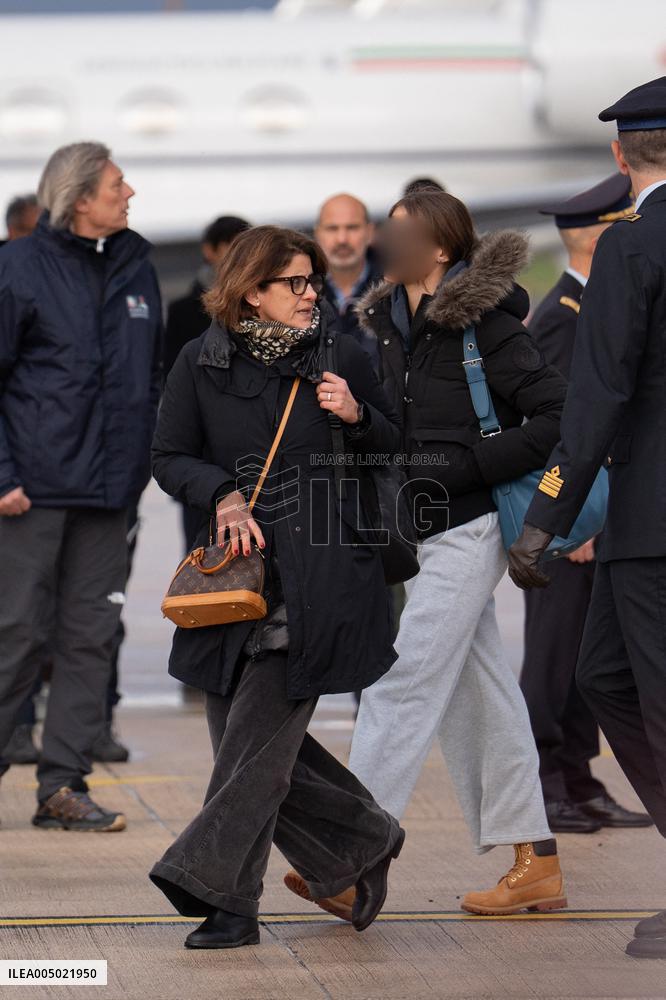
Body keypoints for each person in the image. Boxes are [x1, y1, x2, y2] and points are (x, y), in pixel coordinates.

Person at [288, 188, 570, 919]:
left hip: (471, 523)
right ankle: (534, 858)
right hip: (420, 527)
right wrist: (358, 418)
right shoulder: (387, 321)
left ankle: (354, 857)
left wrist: (471, 465)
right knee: (484, 697)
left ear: (439, 250)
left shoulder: (486, 323)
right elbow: (399, 429)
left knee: (399, 680)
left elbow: (555, 415)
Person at [149, 225, 405, 949]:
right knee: (254, 750)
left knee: (250, 753)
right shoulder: (202, 361)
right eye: (293, 281)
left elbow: (395, 440)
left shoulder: (340, 353)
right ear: (250, 289)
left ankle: (220, 896)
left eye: (312, 279)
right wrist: (224, 495)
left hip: (324, 577)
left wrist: (356, 416)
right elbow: (168, 455)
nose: (309, 292)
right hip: (234, 581)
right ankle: (362, 839)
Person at [508, 76, 666, 960]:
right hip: (647, 521)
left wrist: (545, 518)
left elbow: (597, 398)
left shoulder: (632, 249)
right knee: (604, 676)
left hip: (650, 518)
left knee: (648, 691)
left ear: (620, 153)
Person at [0, 141, 162, 831]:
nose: (130, 195)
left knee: (91, 638)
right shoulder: (17, 268)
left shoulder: (138, 268)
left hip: (110, 495)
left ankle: (62, 786)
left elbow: (151, 378)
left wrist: (141, 467)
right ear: (81, 197)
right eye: (118, 185)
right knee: (15, 633)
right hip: (30, 492)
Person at [520, 173, 651, 834]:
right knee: (552, 659)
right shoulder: (562, 319)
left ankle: (578, 778)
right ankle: (547, 784)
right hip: (574, 521)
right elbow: (566, 432)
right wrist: (577, 521)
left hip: (589, 516)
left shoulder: (586, 307)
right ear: (599, 235)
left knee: (583, 662)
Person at [164, 214, 250, 553]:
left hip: (251, 459)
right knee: (202, 556)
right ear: (209, 251)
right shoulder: (185, 309)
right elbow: (172, 378)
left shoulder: (265, 309)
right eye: (228, 249)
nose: (233, 260)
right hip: (200, 454)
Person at [314, 193, 382, 370]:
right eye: (332, 228)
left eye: (352, 228)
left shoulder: (396, 288)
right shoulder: (299, 291)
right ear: (317, 233)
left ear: (370, 232)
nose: (342, 239)